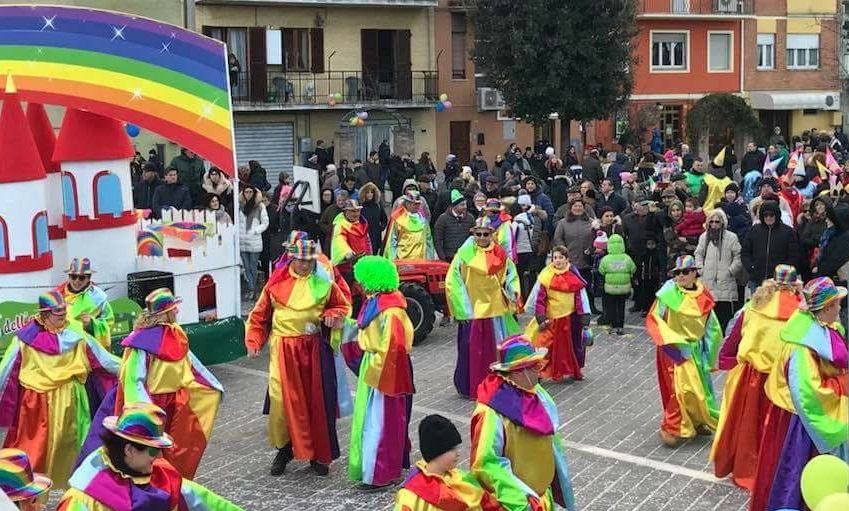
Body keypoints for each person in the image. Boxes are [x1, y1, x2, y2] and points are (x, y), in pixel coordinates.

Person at [78, 288, 223, 480]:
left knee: (176, 451)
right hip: (154, 405)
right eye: (173, 309)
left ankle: (170, 485)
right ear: (164, 313)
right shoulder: (141, 343)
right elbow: (133, 380)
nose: (177, 312)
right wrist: (145, 413)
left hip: (176, 406)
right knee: (150, 453)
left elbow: (192, 363)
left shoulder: (175, 334)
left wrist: (213, 385)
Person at [246, 239, 350, 477]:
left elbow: (342, 306)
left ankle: (317, 454)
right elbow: (259, 316)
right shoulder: (275, 283)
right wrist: (253, 341)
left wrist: (333, 315)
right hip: (283, 350)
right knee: (282, 403)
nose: (304, 264)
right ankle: (284, 449)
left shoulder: (325, 284)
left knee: (316, 402)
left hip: (314, 350)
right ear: (292, 257)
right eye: (301, 259)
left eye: (309, 260)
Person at [0, 291, 119, 489]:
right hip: (37, 406)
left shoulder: (77, 335)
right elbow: (6, 371)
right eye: (59, 314)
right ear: (45, 314)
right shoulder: (24, 341)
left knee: (74, 448)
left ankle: (77, 488)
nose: (64, 316)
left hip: (71, 402)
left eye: (65, 312)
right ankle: (27, 494)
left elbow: (103, 360)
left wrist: (127, 367)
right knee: (33, 451)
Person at [749, 278, 848, 511]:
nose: (841, 308)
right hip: (802, 423)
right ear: (825, 309)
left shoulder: (817, 327)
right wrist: (843, 384)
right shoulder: (804, 347)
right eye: (837, 304)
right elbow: (806, 393)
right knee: (796, 473)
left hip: (801, 417)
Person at [710, 265, 803, 491]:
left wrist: (727, 360)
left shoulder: (754, 305)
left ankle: (746, 469)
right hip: (783, 380)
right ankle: (771, 473)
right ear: (795, 285)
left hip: (752, 376)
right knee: (774, 430)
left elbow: (734, 336)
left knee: (749, 426)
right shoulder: (801, 312)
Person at [61, 404, 244, 511]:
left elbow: (205, 501)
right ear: (129, 450)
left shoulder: (160, 475)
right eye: (151, 451)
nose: (157, 457)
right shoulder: (84, 499)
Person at [470, 335, 575, 511]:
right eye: (535, 366)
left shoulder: (537, 393)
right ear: (518, 371)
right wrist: (523, 500)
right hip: (518, 505)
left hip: (541, 500)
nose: (540, 371)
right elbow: (485, 463)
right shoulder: (490, 412)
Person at [347, 256, 415, 490]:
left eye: (362, 280)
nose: (359, 285)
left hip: (386, 370)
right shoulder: (376, 301)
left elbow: (394, 346)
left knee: (382, 421)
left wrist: (376, 375)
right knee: (375, 420)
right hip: (376, 365)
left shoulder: (391, 309)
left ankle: (382, 471)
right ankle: (376, 468)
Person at [646, 255, 722, 447]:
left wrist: (709, 355)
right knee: (679, 389)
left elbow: (712, 328)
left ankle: (697, 420)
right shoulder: (667, 294)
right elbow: (654, 319)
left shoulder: (703, 295)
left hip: (695, 350)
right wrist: (673, 345)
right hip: (673, 350)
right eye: (677, 272)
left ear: (695, 273)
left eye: (685, 272)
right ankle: (672, 427)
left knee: (701, 388)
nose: (681, 276)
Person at [445, 217, 521, 399]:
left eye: (485, 234)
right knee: (472, 350)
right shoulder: (463, 255)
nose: (481, 237)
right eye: (477, 234)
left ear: (491, 235)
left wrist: (513, 292)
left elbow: (511, 276)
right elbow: (453, 282)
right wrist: (462, 308)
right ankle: (473, 385)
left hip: (496, 311)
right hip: (473, 311)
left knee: (498, 347)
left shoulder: (501, 254)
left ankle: (499, 383)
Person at [394, 414, 502, 511]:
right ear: (436, 452)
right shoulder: (411, 496)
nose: (458, 453)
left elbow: (488, 504)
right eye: (451, 449)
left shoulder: (461, 477)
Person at [524, 246, 590, 381]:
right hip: (551, 319)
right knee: (545, 345)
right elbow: (540, 299)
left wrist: (584, 315)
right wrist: (541, 318)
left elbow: (580, 297)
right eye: (555, 258)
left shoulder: (573, 275)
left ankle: (574, 370)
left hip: (570, 319)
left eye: (561, 257)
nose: (558, 260)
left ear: (567, 259)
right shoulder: (546, 276)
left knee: (572, 347)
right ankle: (539, 371)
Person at [694, 209, 742, 330]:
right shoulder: (704, 237)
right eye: (712, 222)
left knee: (725, 319)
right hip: (708, 282)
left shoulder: (732, 237)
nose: (714, 224)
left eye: (717, 222)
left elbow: (738, 256)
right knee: (709, 320)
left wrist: (731, 271)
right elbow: (698, 253)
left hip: (726, 283)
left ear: (722, 223)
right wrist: (701, 269)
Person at [55, 257, 115, 349]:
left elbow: (109, 322)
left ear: (88, 278)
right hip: (61, 346)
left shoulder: (98, 297)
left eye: (82, 278)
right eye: (73, 277)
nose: (77, 281)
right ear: (69, 277)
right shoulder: (58, 294)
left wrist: (91, 324)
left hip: (86, 346)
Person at [741, 201, 799, 289]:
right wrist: (751, 267)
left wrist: (783, 271)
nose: (768, 218)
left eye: (771, 215)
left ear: (777, 215)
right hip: (757, 279)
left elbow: (794, 255)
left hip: (779, 281)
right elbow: (745, 252)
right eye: (765, 215)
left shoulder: (788, 232)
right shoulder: (754, 231)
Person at [598, 234, 637, 335]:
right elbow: (633, 269)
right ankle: (620, 326)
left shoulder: (606, 259)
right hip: (624, 287)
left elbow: (601, 270)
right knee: (621, 306)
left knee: (611, 306)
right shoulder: (627, 258)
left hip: (610, 288)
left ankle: (612, 324)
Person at [330, 199, 372, 288]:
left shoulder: (362, 224)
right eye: (352, 211)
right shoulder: (341, 225)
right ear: (345, 211)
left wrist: (370, 255)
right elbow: (339, 240)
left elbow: (367, 241)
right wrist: (347, 253)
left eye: (358, 211)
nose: (356, 214)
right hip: (348, 267)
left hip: (363, 263)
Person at [384, 190, 437, 260]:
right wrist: (393, 259)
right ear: (407, 203)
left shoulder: (422, 218)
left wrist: (430, 258)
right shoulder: (398, 219)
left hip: (420, 260)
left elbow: (428, 239)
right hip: (403, 260)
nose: (417, 206)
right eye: (414, 204)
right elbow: (392, 241)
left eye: (418, 204)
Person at [238, 184, 269, 301]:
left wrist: (256, 231)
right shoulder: (239, 206)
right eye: (246, 192)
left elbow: (265, 222)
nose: (248, 194)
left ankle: (253, 289)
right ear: (243, 193)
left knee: (253, 266)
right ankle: (251, 289)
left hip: (254, 240)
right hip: (242, 240)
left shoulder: (260, 206)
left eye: (251, 192)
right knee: (246, 267)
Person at [434, 189, 476, 263]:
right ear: (454, 206)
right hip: (449, 257)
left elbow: (473, 237)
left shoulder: (470, 218)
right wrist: (442, 257)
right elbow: (438, 239)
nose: (465, 207)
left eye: (465, 204)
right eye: (462, 205)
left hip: (466, 256)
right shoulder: (443, 219)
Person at [482, 199, 517, 263]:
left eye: (487, 210)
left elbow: (504, 241)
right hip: (489, 253)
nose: (485, 212)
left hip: (502, 254)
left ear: (493, 211)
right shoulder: (486, 220)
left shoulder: (505, 222)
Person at [358, 182, 388, 254]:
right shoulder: (360, 206)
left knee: (374, 253)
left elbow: (384, 219)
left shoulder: (377, 206)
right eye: (367, 192)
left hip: (375, 235)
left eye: (372, 192)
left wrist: (380, 228)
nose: (370, 194)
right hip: (363, 236)